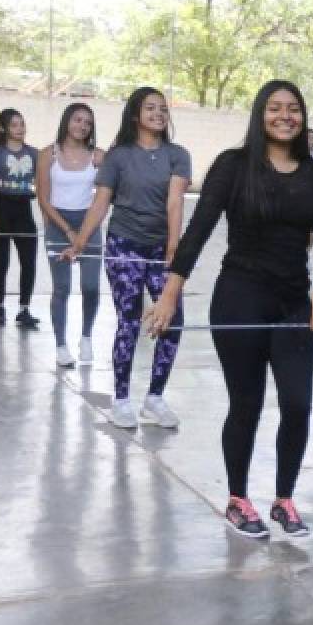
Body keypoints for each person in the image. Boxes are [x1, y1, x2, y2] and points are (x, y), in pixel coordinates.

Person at [147, 80, 313, 538]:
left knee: (298, 405)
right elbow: (197, 232)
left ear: (303, 116)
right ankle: (238, 498)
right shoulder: (234, 166)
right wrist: (170, 293)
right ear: (260, 114)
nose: (284, 116)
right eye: (275, 108)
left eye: (293, 109)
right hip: (240, 296)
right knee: (247, 404)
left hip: (293, 301)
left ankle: (284, 499)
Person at [62, 86, 189, 429]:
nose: (158, 113)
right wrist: (80, 243)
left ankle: (155, 398)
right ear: (136, 115)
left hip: (162, 249)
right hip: (124, 246)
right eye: (150, 108)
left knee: (172, 320)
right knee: (129, 321)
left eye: (163, 109)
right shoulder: (118, 156)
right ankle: (121, 400)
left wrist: (173, 250)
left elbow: (175, 201)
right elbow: (101, 203)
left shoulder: (177, 154)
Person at [36, 103, 105, 367]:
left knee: (90, 286)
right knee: (61, 288)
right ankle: (61, 345)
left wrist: (85, 232)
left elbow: (103, 198)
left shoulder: (98, 157)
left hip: (89, 222)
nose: (82, 126)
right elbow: (43, 199)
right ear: (67, 121)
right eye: (77, 120)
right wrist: (67, 230)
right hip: (58, 223)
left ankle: (86, 336)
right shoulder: (47, 155)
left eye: (87, 123)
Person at [0, 108, 40, 329]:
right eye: (14, 125)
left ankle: (24, 308)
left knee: (29, 262)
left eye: (22, 124)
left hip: (23, 210)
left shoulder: (34, 153)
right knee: (1, 261)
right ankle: (0, 306)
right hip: (0, 208)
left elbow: (43, 185)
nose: (20, 129)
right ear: (4, 128)